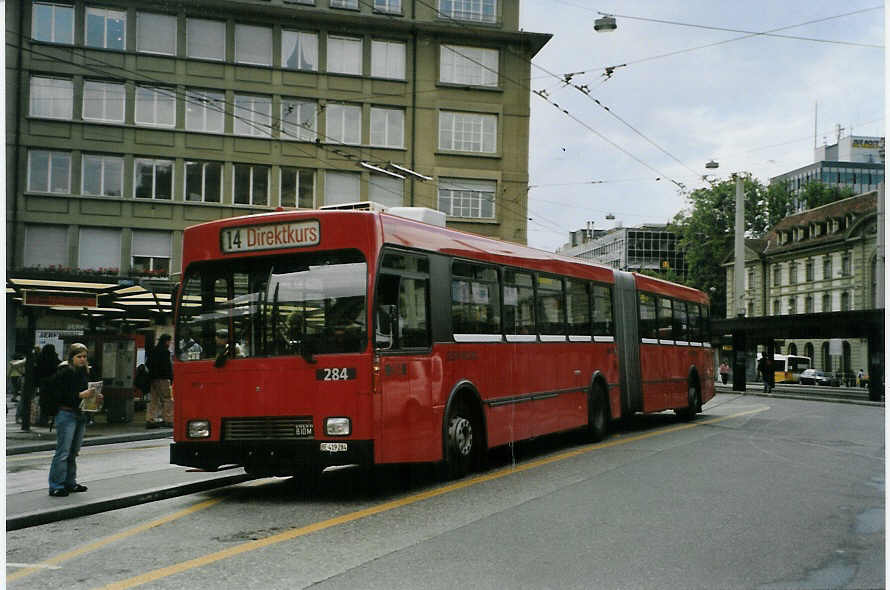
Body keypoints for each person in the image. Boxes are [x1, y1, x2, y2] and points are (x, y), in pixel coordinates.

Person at [47, 342, 102, 497]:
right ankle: (56, 485)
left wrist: (96, 397)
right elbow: (59, 395)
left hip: (80, 414)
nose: (82, 359)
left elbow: (87, 393)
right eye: (79, 356)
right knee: (63, 451)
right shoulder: (64, 372)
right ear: (71, 357)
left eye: (84, 356)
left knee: (73, 452)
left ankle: (70, 482)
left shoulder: (86, 373)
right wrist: (80, 395)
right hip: (66, 414)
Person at [147, 334, 174, 429]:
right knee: (167, 399)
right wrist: (171, 377)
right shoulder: (165, 352)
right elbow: (167, 367)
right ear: (166, 341)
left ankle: (150, 419)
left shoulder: (153, 350)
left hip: (153, 378)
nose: (170, 343)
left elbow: (148, 363)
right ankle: (168, 419)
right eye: (169, 341)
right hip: (163, 378)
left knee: (154, 399)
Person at [36, 344, 60, 427]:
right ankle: (52, 419)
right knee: (53, 401)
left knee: (43, 402)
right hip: (53, 383)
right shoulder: (54, 357)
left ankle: (43, 419)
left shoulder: (40, 358)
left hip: (43, 382)